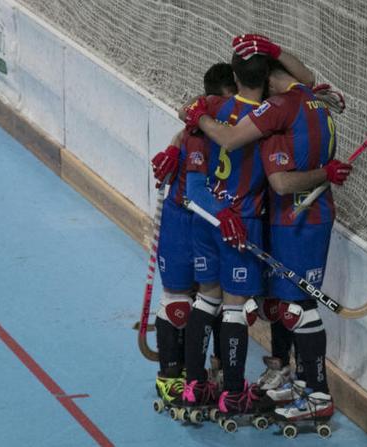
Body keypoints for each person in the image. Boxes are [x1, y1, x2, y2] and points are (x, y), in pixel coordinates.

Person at [185, 35, 353, 422]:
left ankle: (316, 395)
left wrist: (196, 117)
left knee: (295, 307)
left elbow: (269, 174)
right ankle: (292, 379)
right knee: (282, 305)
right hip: (283, 220)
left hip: (302, 219)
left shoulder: (274, 109)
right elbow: (306, 75)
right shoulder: (307, 95)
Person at [178, 52, 271, 417]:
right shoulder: (270, 114)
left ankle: (196, 383)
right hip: (241, 220)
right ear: (266, 78)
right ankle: (233, 393)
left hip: (208, 218)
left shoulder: (214, 105)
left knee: (205, 301)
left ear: (234, 75)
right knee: (234, 309)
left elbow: (187, 109)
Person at [148, 62, 237, 407]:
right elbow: (189, 118)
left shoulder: (232, 117)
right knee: (179, 298)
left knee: (210, 299)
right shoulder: (206, 116)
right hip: (183, 216)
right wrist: (175, 146)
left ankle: (206, 370)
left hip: (214, 220)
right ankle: (170, 376)